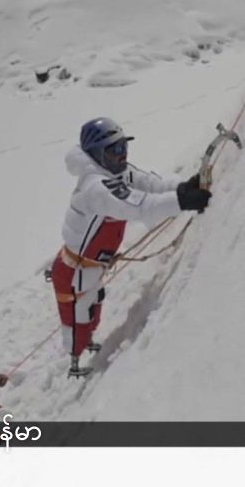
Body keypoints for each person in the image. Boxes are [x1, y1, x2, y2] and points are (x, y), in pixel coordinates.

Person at [51, 117, 211, 377]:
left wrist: (180, 188)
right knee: (77, 315)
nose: (122, 155)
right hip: (74, 269)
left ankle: (87, 342)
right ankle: (75, 360)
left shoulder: (116, 171)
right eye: (114, 150)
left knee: (94, 303)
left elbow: (149, 184)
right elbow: (138, 206)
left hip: (93, 264)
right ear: (97, 154)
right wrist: (182, 201)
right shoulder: (95, 188)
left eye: (124, 147)